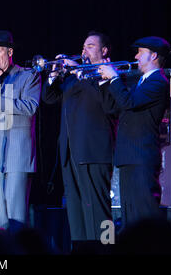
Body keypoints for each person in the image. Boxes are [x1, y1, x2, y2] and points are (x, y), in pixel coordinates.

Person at [41, 31, 116, 248]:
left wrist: (80, 71)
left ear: (104, 50)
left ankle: (107, 249)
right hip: (70, 153)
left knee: (101, 211)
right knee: (75, 211)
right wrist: (54, 74)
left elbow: (110, 105)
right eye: (83, 46)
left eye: (91, 46)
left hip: (94, 152)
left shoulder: (109, 74)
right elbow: (49, 97)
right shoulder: (73, 77)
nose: (84, 50)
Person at [98, 36, 170, 228]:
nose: (136, 56)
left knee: (144, 216)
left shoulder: (158, 81)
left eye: (140, 52)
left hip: (141, 156)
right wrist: (105, 82)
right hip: (129, 156)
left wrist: (114, 77)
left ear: (153, 55)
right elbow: (112, 108)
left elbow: (128, 103)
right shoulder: (140, 81)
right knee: (130, 216)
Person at [0, 30, 41, 232]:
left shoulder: (28, 76)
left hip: (17, 156)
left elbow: (31, 107)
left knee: (16, 221)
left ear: (10, 52)